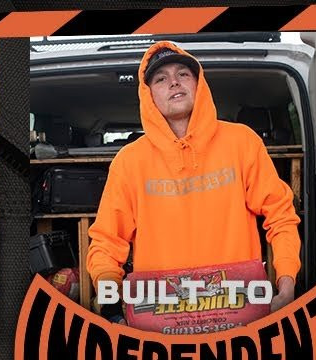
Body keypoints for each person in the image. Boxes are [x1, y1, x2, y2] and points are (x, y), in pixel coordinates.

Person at [86, 41, 302, 313]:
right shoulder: (129, 162)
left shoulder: (242, 142)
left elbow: (281, 215)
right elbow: (107, 241)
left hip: (236, 304)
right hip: (160, 312)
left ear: (199, 84)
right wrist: (111, 301)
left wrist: (286, 281)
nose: (174, 82)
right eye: (161, 79)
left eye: (183, 74)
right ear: (148, 95)